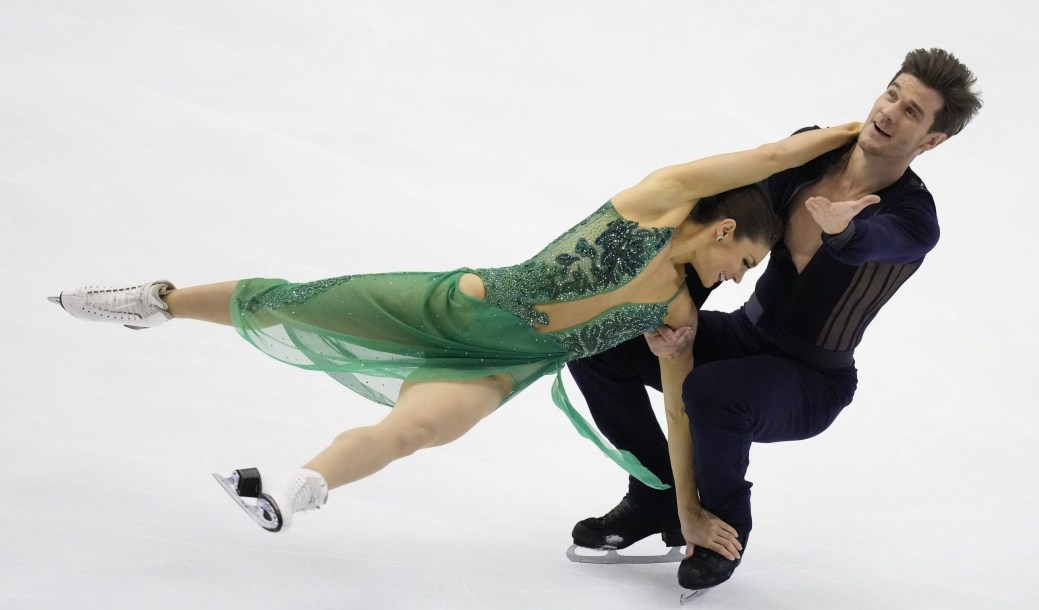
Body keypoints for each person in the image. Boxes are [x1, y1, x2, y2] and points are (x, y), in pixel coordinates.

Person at [48, 122, 865, 535]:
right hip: (453, 304)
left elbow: (681, 413)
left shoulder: (678, 313)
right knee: (289, 301)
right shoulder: (657, 199)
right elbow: (763, 158)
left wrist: (685, 506)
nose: (742, 281)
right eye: (746, 264)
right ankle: (154, 301)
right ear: (724, 232)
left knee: (415, 430)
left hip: (501, 368)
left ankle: (298, 489)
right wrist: (864, 136)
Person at [566, 48, 982, 592]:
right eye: (892, 93)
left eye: (912, 113)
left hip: (811, 378)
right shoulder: (812, 154)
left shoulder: (913, 218)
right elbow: (734, 226)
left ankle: (725, 526)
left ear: (931, 140)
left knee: (714, 392)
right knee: (596, 341)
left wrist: (843, 229)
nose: (889, 111)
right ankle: (656, 495)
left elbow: (872, 242)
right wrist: (678, 315)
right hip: (745, 334)